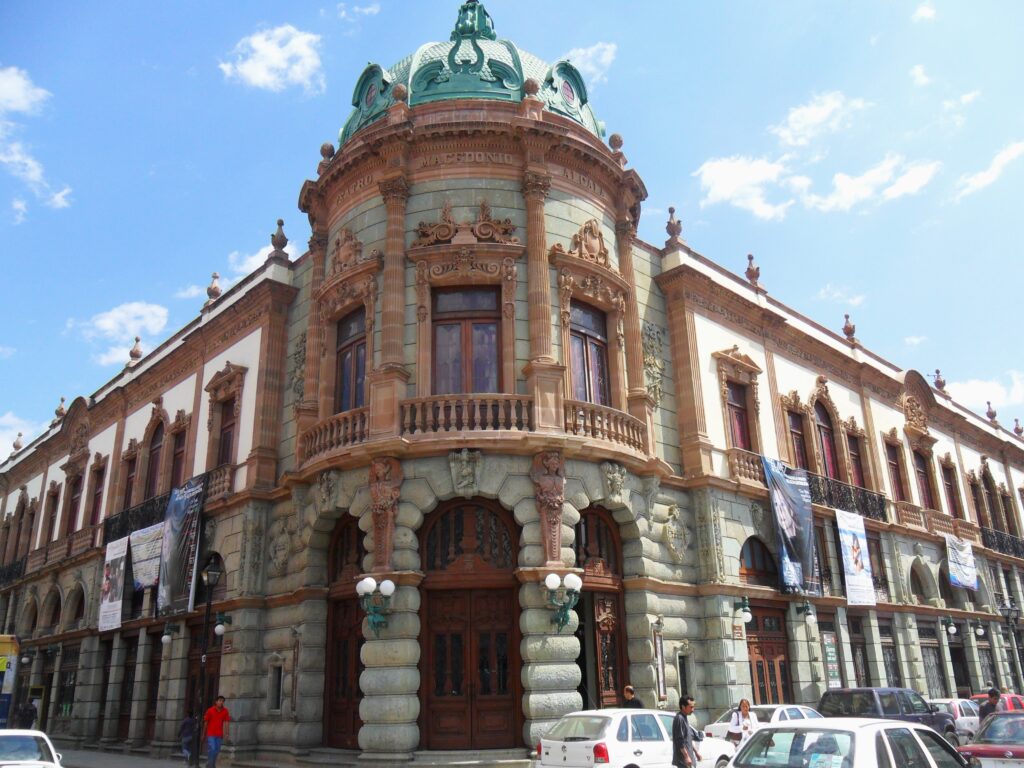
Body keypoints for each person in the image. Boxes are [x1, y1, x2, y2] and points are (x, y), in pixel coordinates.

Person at [672, 695, 701, 767]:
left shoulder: (684, 718)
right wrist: (686, 757)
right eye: (691, 707)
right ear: (683, 707)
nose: (693, 709)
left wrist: (696, 752)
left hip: (688, 760)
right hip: (683, 761)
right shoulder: (679, 718)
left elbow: (688, 739)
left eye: (693, 707)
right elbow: (680, 741)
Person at [202, 695, 230, 768]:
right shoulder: (210, 710)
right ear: (216, 702)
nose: (221, 702)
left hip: (219, 734)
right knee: (213, 749)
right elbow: (206, 722)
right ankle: (211, 766)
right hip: (211, 734)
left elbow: (226, 722)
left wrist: (227, 733)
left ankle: (210, 764)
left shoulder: (225, 711)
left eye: (222, 701)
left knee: (216, 751)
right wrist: (203, 733)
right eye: (220, 701)